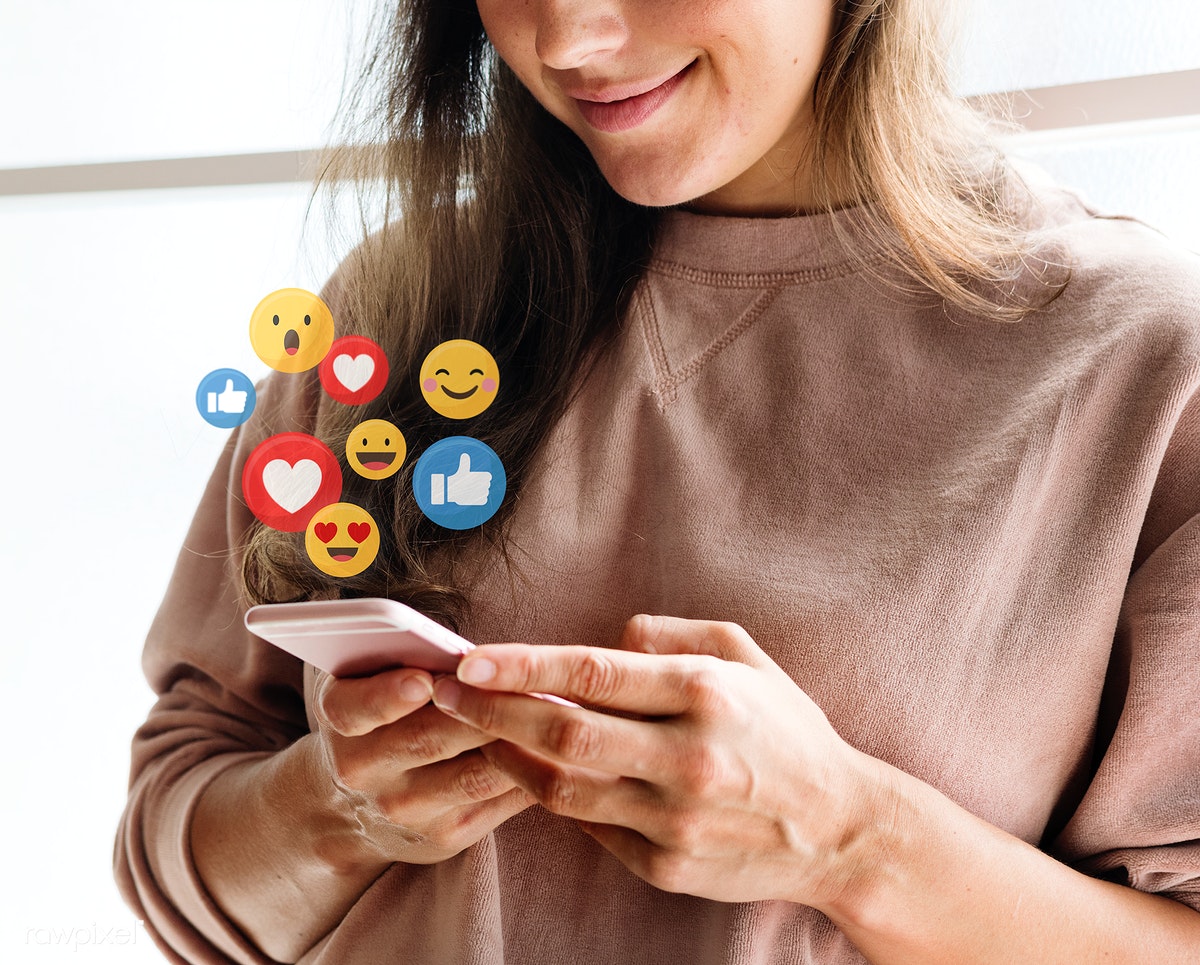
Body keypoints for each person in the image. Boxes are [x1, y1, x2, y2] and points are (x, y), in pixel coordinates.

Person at [116, 1, 1200, 962]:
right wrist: (341, 807)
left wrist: (856, 842)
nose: (565, 38)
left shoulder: (1146, 362)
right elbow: (181, 843)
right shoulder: (391, 317)